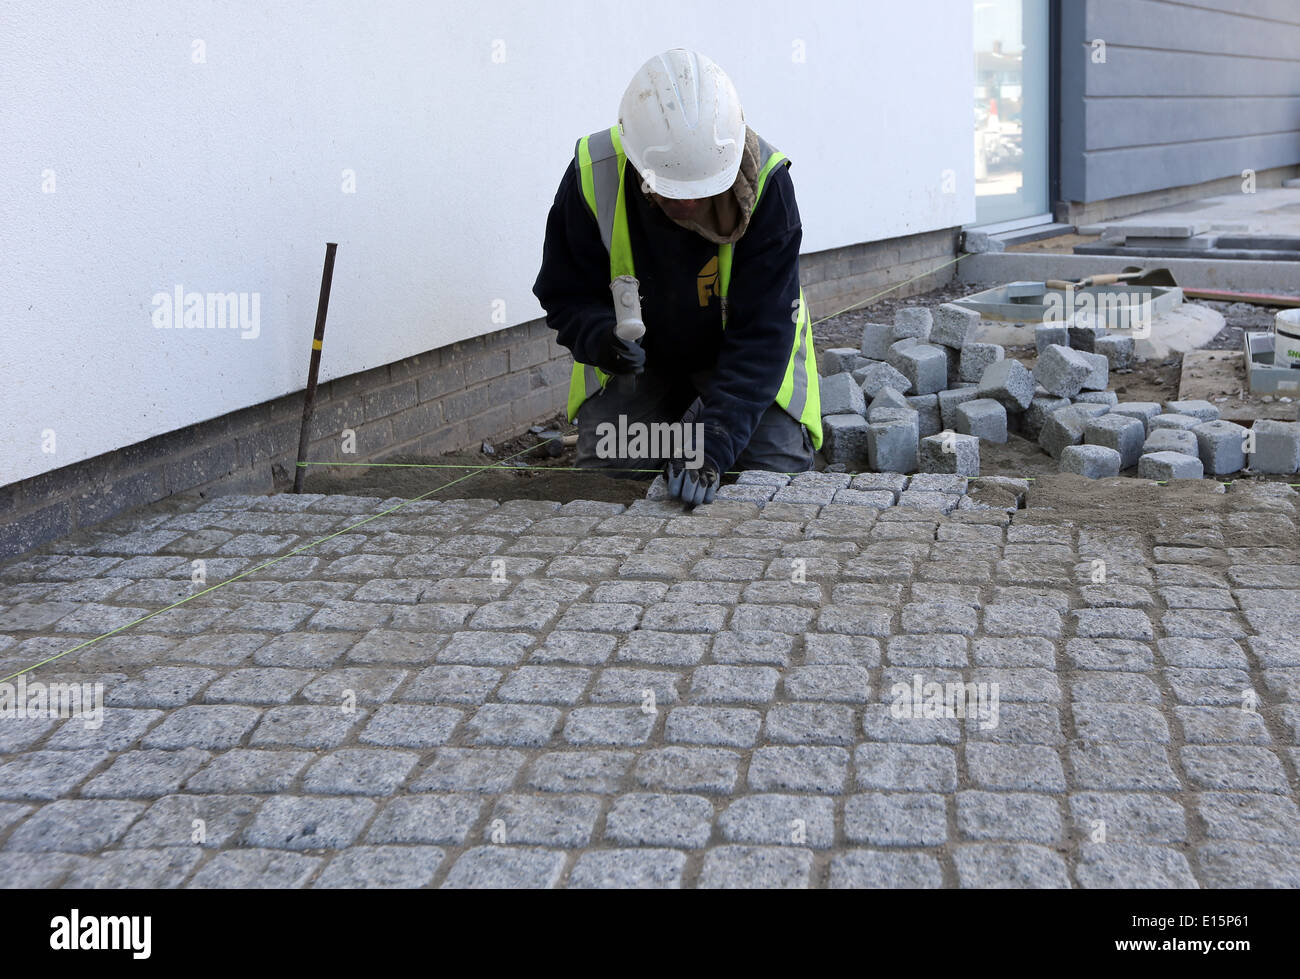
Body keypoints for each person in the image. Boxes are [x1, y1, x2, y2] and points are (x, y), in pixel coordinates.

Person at [533, 48, 821, 505]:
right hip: (642, 363)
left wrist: (714, 444)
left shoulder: (767, 184)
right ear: (636, 161)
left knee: (776, 481)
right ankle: (679, 432)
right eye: (669, 192)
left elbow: (764, 336)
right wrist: (600, 339)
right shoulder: (594, 172)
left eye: (701, 192)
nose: (686, 206)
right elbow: (563, 292)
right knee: (608, 477)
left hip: (738, 352)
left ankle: (699, 430)